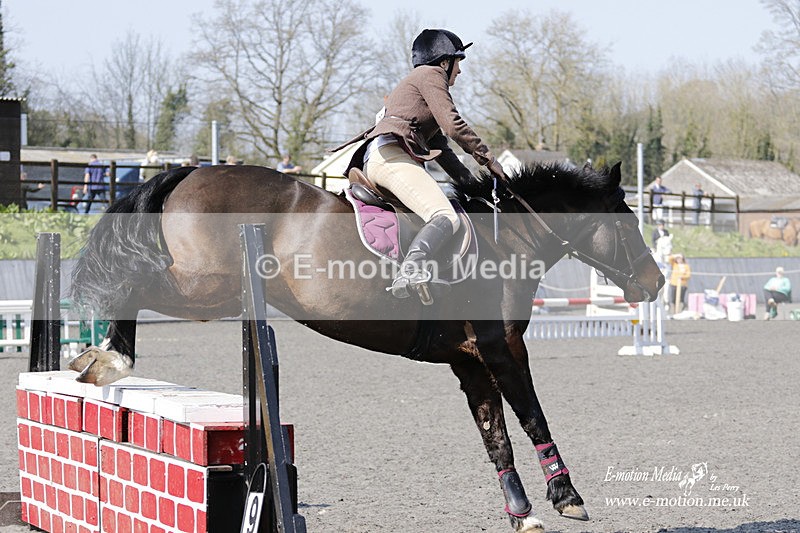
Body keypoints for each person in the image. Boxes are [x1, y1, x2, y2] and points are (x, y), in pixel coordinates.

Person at [331, 28, 507, 300]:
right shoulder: (431, 75)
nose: (459, 71)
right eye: (458, 62)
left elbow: (442, 149)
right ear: (445, 62)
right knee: (445, 216)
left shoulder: (421, 82)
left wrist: (473, 185)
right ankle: (411, 270)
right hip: (391, 156)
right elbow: (453, 125)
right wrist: (488, 158)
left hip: (385, 155)